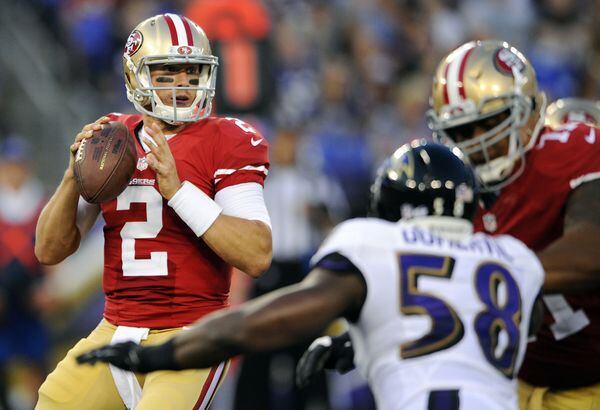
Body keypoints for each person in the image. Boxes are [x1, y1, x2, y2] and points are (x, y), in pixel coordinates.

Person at [77, 141, 545, 410]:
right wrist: (356, 343)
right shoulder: (514, 258)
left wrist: (163, 356)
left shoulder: (374, 242)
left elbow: (260, 324)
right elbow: (481, 321)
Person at [300, 40, 600, 410]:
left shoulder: (572, 149)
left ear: (530, 110)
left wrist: (487, 272)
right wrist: (374, 330)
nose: (477, 143)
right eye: (462, 130)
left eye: (488, 123)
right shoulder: (450, 188)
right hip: (514, 384)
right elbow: (429, 284)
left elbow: (591, 252)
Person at [34, 13, 272, 410]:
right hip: (114, 329)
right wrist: (72, 177)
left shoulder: (228, 139)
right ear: (135, 78)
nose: (182, 85)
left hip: (191, 332)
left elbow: (257, 253)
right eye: (166, 74)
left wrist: (178, 193)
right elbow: (48, 250)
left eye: (191, 72)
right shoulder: (113, 139)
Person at [0, 137, 49, 409]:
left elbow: (56, 245)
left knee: (36, 357)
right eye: (10, 165)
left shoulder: (42, 201)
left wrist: (50, 289)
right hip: (3, 292)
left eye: (19, 165)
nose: (15, 171)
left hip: (33, 290)